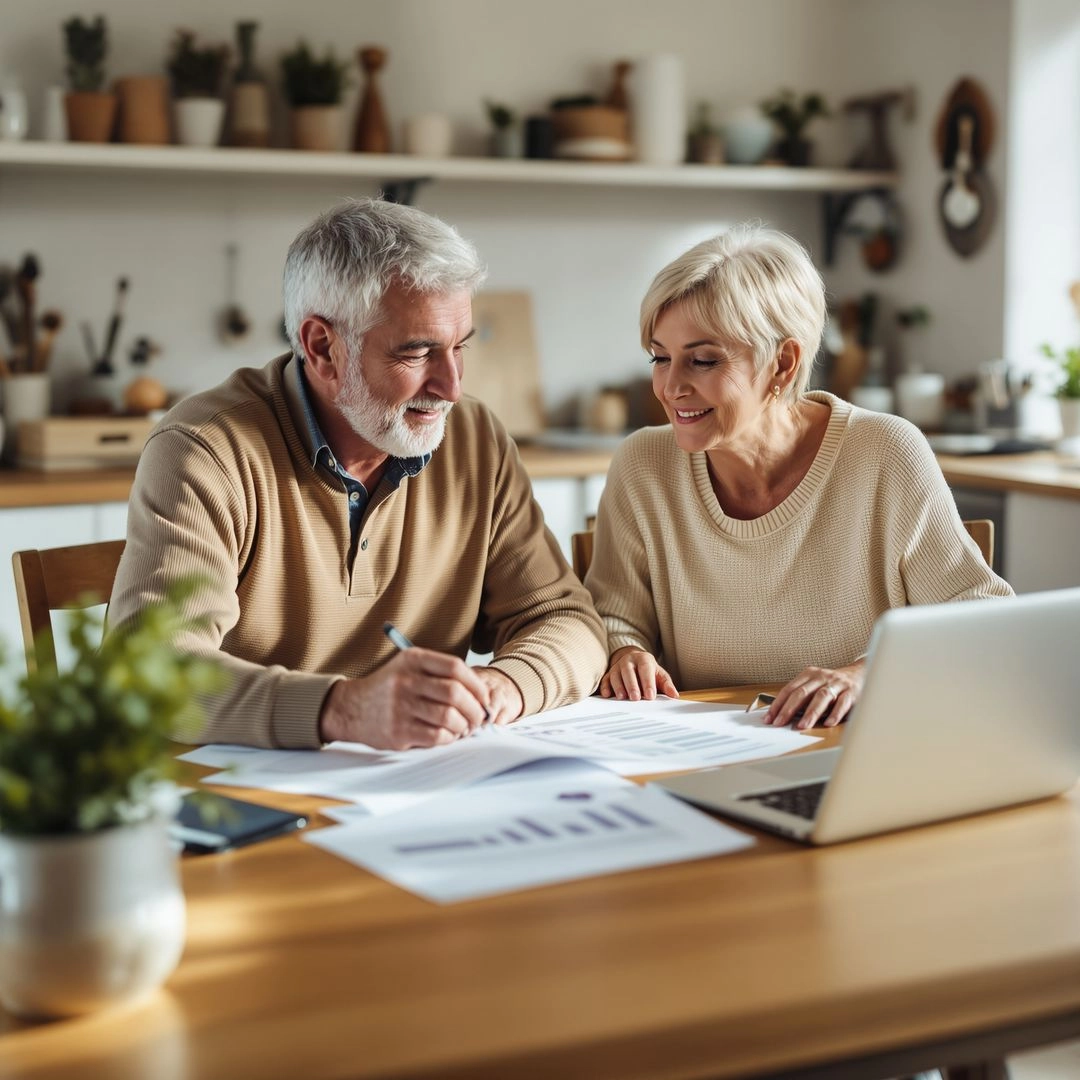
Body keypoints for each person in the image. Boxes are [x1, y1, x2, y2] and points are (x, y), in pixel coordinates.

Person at [109, 197, 606, 750]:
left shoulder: (475, 440)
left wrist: (503, 686)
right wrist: (343, 710)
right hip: (234, 805)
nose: (452, 386)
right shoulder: (206, 450)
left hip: (414, 792)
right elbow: (149, 674)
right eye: (417, 354)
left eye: (459, 347)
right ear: (323, 347)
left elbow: (567, 620)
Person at [585, 224, 1012, 730]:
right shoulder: (643, 465)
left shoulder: (885, 453)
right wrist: (624, 652)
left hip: (858, 752)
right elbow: (613, 615)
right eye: (660, 357)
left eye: (702, 360)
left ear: (783, 364)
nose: (671, 386)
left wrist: (867, 675)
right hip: (699, 752)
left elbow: (982, 619)